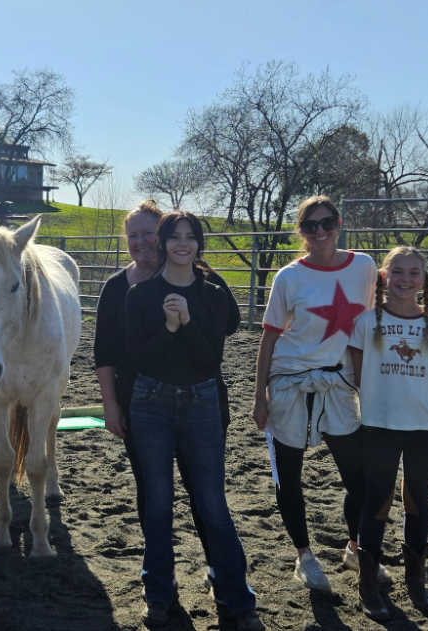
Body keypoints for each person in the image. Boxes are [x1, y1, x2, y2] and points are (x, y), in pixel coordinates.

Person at [252, 195, 428, 593]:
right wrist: (260, 395)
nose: (320, 231)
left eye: (327, 222)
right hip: (291, 381)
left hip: (340, 385)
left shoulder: (362, 266)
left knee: (359, 480)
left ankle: (355, 547)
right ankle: (304, 556)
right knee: (289, 476)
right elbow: (269, 339)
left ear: (339, 223)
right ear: (301, 231)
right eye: (311, 225)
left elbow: (399, 293)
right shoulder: (288, 278)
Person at [125, 212, 263, 631]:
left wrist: (184, 325)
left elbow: (210, 359)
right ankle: (159, 595)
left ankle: (237, 598)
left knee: (212, 503)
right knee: (159, 504)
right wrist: (167, 328)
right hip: (150, 402)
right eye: (174, 237)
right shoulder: (140, 295)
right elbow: (138, 358)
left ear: (199, 244)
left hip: (202, 401)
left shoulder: (214, 296)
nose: (181, 244)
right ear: (163, 242)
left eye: (190, 237)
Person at [94, 201, 239, 589]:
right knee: (153, 493)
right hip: (140, 403)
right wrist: (110, 405)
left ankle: (216, 567)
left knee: (206, 492)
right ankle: (162, 579)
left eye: (148, 233)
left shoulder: (200, 279)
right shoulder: (117, 289)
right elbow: (104, 355)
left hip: (200, 397)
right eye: (133, 236)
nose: (142, 242)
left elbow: (227, 327)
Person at [347, 246, 428, 621]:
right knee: (377, 500)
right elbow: (359, 374)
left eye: (414, 273)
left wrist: (421, 405)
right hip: (380, 425)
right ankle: (368, 584)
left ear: (423, 280)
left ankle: (416, 581)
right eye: (398, 272)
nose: (406, 280)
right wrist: (382, 404)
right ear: (384, 276)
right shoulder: (366, 323)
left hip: (425, 426)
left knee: (417, 501)